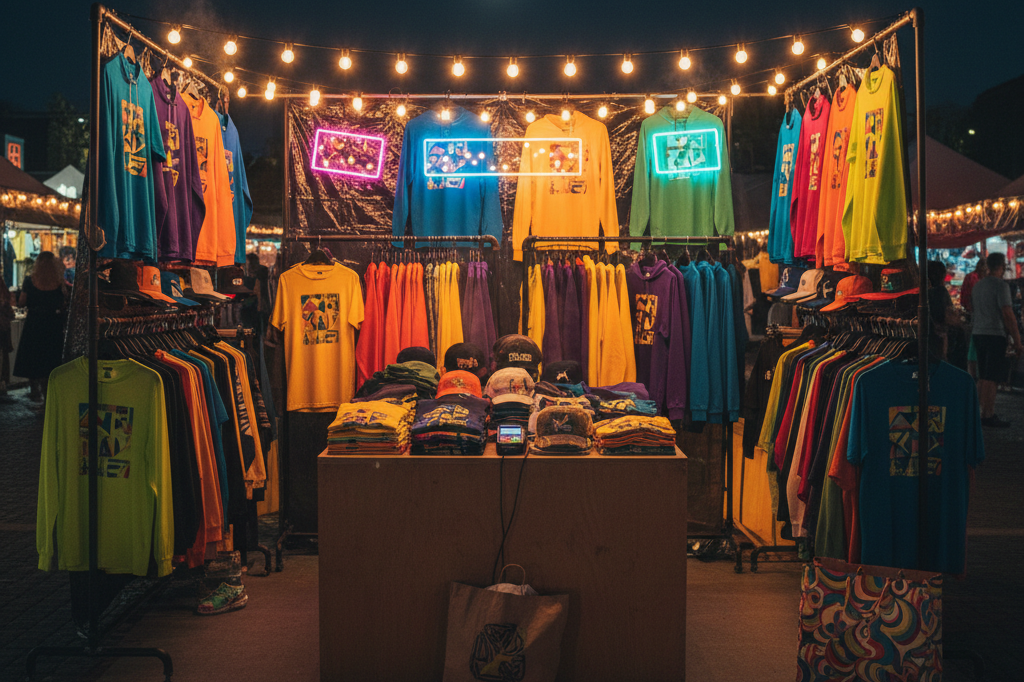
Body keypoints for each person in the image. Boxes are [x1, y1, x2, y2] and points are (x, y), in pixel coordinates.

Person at [971, 252, 1023, 427]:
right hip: (995, 334)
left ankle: (979, 411)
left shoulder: (978, 286)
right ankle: (989, 414)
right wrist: (1017, 340)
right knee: (992, 377)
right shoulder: (1000, 286)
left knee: (983, 375)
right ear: (1001, 266)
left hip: (978, 333)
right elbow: (1007, 313)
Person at [14, 251, 68, 404]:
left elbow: (22, 302)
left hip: (34, 322)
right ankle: (47, 394)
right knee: (49, 358)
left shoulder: (30, 281)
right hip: (52, 324)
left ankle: (34, 390)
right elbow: (63, 303)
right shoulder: (58, 282)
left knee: (33, 355)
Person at [0, 277, 14, 395]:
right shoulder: (2, 285)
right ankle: (4, 383)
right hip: (3, 328)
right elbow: (11, 314)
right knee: (4, 356)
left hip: (2, 327)